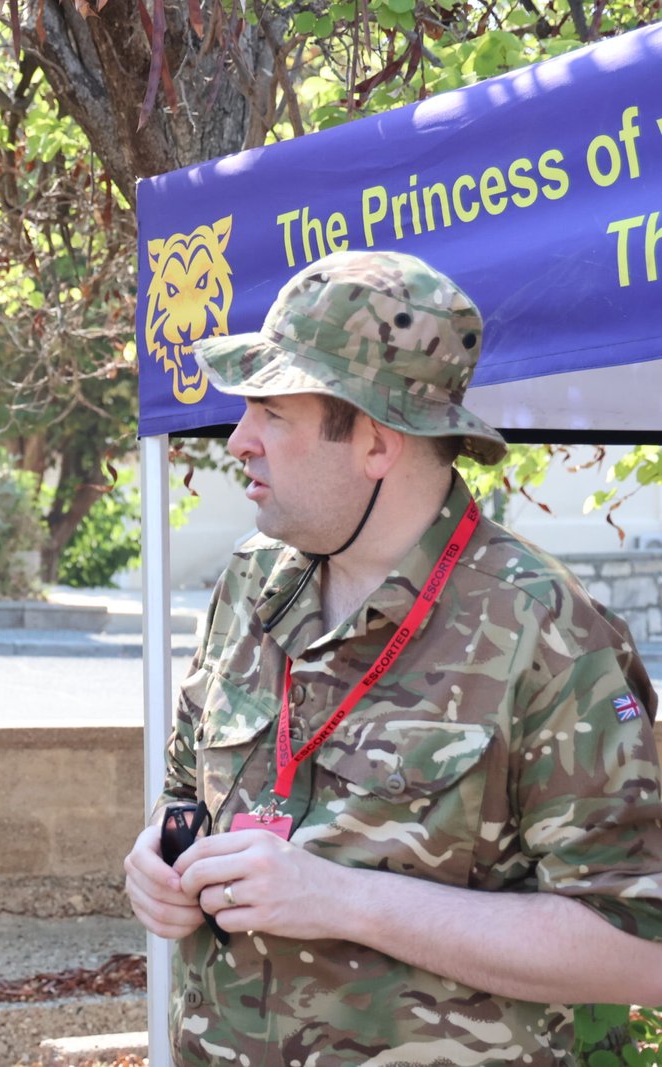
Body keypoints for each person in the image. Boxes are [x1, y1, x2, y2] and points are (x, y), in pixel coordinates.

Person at [123, 250, 662, 1064]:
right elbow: (183, 790)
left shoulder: (542, 629)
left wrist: (343, 898)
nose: (238, 441)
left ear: (376, 442)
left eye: (272, 411)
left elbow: (638, 950)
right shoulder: (251, 580)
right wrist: (157, 862)